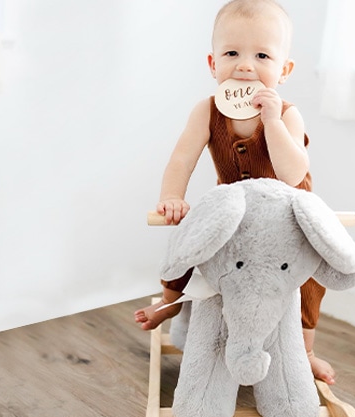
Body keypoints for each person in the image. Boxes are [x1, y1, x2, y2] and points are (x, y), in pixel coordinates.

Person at [134, 0, 335, 385]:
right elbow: (181, 158)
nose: (245, 65)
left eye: (262, 55)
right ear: (213, 64)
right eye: (232, 53)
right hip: (236, 208)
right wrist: (172, 196)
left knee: (310, 275)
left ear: (284, 70)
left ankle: (306, 349)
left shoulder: (288, 114)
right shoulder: (207, 111)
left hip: (288, 213)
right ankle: (170, 300)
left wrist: (272, 121)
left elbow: (294, 173)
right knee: (193, 237)